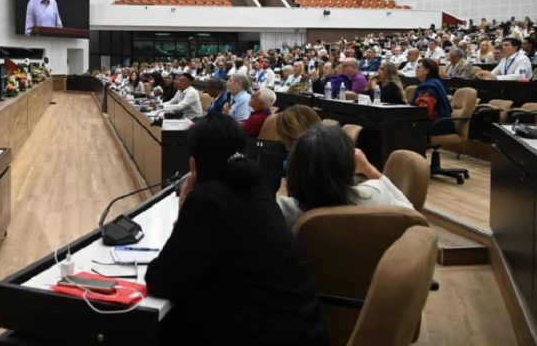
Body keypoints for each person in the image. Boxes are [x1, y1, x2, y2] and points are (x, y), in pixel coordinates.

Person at [145, 114, 327, 345]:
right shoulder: (256, 188)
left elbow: (163, 280)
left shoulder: (209, 200)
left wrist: (184, 212)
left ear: (194, 162)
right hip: (298, 330)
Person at [278, 124, 413, 228]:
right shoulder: (374, 194)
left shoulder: (284, 210)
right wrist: (369, 169)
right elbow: (412, 215)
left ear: (295, 168)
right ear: (349, 164)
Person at [411, 59, 455, 135]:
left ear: (427, 70)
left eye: (418, 67)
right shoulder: (436, 82)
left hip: (436, 126)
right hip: (444, 124)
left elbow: (424, 111)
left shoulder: (428, 86)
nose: (416, 70)